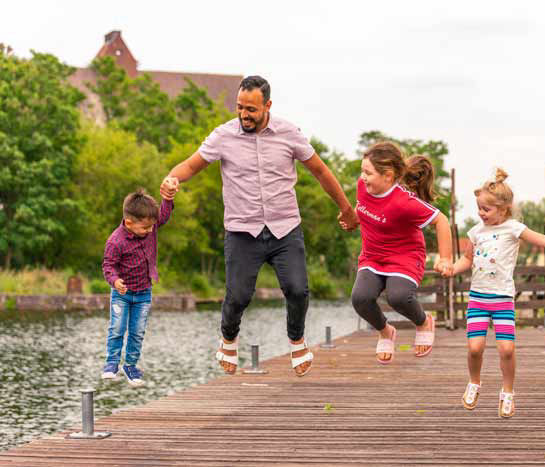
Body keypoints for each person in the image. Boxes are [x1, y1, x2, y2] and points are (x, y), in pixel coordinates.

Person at [160, 75, 359, 377]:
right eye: (240, 107)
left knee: (298, 290)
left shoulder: (289, 133)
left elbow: (320, 171)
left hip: (284, 228)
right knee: (238, 295)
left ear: (267, 105)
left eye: (251, 109)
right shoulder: (223, 136)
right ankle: (228, 338)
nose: (244, 115)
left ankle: (297, 339)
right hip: (242, 230)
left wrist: (346, 208)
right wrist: (172, 179)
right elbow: (190, 165)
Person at [451, 168, 545, 417]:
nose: (481, 213)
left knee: (507, 349)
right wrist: (451, 269)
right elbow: (466, 260)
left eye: (486, 210)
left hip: (502, 300)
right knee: (475, 348)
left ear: (504, 209)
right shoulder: (475, 232)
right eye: (479, 208)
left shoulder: (513, 228)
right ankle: (474, 382)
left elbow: (543, 241)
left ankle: (508, 392)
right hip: (478, 299)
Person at [342, 141, 453, 364]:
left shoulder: (405, 203)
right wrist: (354, 218)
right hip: (373, 256)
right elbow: (364, 206)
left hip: (404, 257)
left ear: (388, 176)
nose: (362, 177)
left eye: (368, 172)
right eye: (362, 171)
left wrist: (446, 258)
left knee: (398, 296)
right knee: (360, 299)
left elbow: (440, 220)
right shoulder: (364, 186)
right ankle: (385, 331)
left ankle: (423, 322)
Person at [101, 185, 176, 386]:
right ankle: (112, 363)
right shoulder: (115, 241)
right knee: (117, 328)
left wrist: (167, 199)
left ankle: (131, 365)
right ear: (129, 222)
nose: (150, 230)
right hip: (122, 294)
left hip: (143, 293)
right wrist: (115, 281)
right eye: (145, 228)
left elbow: (164, 216)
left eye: (152, 226)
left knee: (137, 331)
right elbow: (108, 266)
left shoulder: (149, 226)